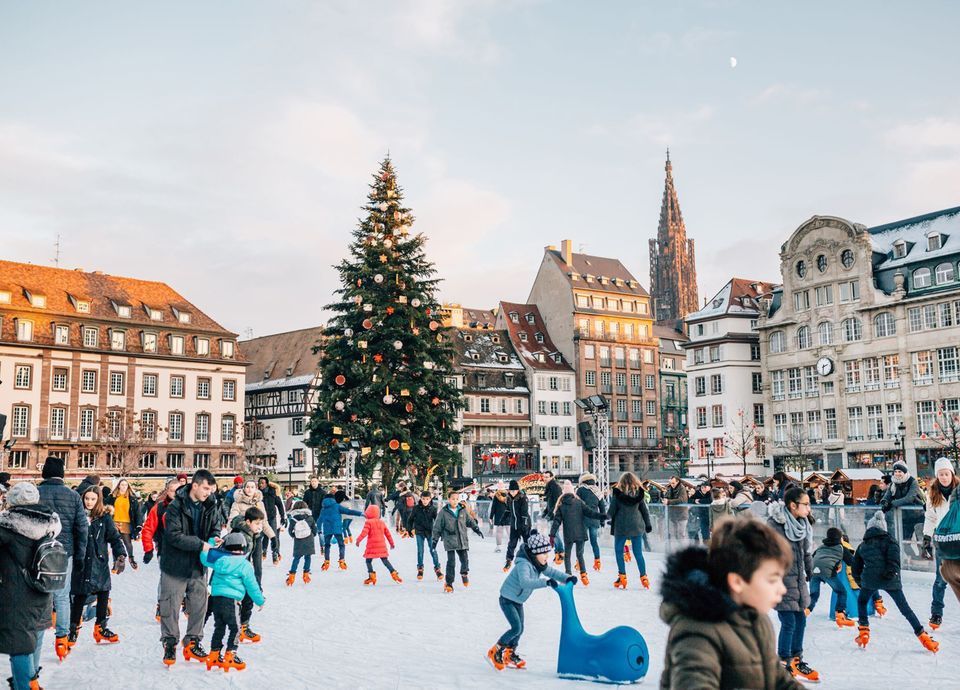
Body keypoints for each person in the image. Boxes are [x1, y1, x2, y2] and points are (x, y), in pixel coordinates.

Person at [659, 518, 804, 690]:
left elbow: (777, 679)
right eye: (772, 580)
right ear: (737, 582)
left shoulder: (757, 621)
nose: (782, 589)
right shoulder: (696, 631)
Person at [0, 482, 61, 690]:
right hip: (43, 591)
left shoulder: (6, 526)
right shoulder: (49, 524)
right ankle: (29, 682)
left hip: (15, 594)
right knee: (31, 641)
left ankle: (23, 686)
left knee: (20, 648)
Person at [158, 469, 221, 666]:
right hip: (175, 565)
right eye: (205, 488)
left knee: (199, 604)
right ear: (194, 485)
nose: (208, 493)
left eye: (210, 489)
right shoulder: (175, 506)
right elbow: (173, 536)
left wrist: (215, 537)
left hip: (197, 564)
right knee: (170, 605)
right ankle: (170, 643)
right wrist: (200, 544)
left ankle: (193, 641)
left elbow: (215, 526)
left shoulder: (211, 505)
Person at [853, 511, 939, 652]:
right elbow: (894, 561)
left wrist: (861, 582)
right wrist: (890, 573)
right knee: (905, 609)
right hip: (890, 580)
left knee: (862, 601)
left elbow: (855, 567)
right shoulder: (891, 541)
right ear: (884, 528)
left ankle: (863, 631)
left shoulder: (863, 545)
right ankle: (924, 637)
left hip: (870, 580)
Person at [488, 531, 573, 671]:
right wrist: (545, 583)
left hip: (518, 600)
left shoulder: (538, 563)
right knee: (516, 628)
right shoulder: (524, 564)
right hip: (507, 599)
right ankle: (495, 650)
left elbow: (552, 572)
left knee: (520, 629)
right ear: (535, 554)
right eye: (544, 553)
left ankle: (509, 654)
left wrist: (567, 578)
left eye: (548, 553)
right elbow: (525, 582)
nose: (547, 556)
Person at [37, 455, 88, 661]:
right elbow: (81, 528)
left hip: (39, 551)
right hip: (64, 551)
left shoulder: (37, 493)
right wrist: (80, 555)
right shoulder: (73, 495)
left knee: (40, 594)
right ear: (62, 474)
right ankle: (62, 638)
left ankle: (37, 634)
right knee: (62, 595)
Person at [767, 487, 817, 682]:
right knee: (788, 622)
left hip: (797, 581)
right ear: (793, 505)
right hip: (781, 582)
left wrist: (811, 570)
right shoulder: (775, 525)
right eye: (806, 504)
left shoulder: (802, 524)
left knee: (801, 620)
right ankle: (781, 664)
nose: (809, 508)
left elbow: (805, 552)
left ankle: (796, 660)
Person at [69, 487, 127, 647]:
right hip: (81, 560)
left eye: (93, 499)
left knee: (103, 592)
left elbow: (114, 538)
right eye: (87, 498)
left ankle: (101, 627)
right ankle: (73, 628)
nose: (89, 502)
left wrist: (120, 555)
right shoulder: (77, 516)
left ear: (98, 500)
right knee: (80, 595)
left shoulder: (104, 518)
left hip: (99, 560)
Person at [200, 532, 265, 671]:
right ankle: (230, 654)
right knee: (236, 629)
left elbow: (204, 557)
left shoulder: (219, 560)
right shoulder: (245, 565)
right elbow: (252, 586)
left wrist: (211, 541)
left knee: (219, 627)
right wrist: (260, 600)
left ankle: (214, 655)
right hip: (232, 602)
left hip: (216, 600)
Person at [923, 457, 957, 630]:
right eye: (941, 474)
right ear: (937, 476)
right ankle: (936, 613)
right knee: (941, 580)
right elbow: (930, 518)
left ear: (952, 473)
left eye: (946, 473)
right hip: (942, 542)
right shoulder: (933, 495)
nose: (944, 477)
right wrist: (927, 537)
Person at [550, 480, 604, 584]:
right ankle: (583, 575)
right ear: (573, 492)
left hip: (569, 534)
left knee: (567, 555)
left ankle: (568, 575)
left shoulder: (561, 506)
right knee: (580, 554)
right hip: (581, 532)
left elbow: (556, 522)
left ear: (563, 493)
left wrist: (552, 534)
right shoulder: (579, 503)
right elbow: (589, 512)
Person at [432, 489, 484, 592]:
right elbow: (437, 526)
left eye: (457, 499)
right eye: (453, 499)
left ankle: (464, 573)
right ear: (448, 499)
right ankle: (449, 583)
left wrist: (476, 529)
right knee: (451, 562)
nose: (455, 501)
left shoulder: (462, 510)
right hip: (449, 540)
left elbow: (469, 521)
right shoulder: (443, 512)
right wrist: (434, 540)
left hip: (461, 539)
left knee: (464, 559)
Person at [608, 472, 653, 590]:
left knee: (619, 551)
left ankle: (622, 576)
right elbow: (644, 511)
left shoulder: (617, 495)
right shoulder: (639, 494)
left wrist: (605, 518)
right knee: (638, 553)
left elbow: (611, 510)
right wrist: (648, 525)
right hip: (636, 526)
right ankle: (644, 577)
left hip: (621, 527)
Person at [229, 506, 266, 644]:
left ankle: (244, 628)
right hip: (233, 575)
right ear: (248, 522)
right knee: (230, 605)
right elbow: (232, 559)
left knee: (248, 598)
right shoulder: (240, 536)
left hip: (243, 572)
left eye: (261, 523)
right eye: (257, 523)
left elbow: (256, 562)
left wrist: (257, 583)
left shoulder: (253, 535)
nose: (260, 526)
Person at [807, 527, 856, 627]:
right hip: (827, 572)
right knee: (841, 592)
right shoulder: (841, 548)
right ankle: (840, 615)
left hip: (813, 571)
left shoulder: (821, 547)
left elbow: (812, 558)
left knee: (814, 595)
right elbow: (852, 562)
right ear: (839, 538)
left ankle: (805, 611)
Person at [228, 481, 277, 559]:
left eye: (252, 487)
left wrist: (273, 537)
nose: (249, 489)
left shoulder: (259, 504)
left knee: (258, 566)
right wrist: (232, 536)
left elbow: (264, 522)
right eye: (247, 487)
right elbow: (232, 521)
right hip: (243, 538)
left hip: (257, 537)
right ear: (243, 488)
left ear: (256, 489)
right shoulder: (237, 503)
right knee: (244, 563)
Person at [318, 492, 363, 571]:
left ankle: (326, 561)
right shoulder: (337, 506)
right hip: (337, 529)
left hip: (327, 530)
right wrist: (360, 514)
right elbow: (348, 511)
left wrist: (319, 530)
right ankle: (342, 560)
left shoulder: (323, 509)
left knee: (327, 545)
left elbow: (319, 520)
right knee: (341, 545)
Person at [356, 504, 400, 585]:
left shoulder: (368, 522)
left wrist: (358, 540)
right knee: (385, 560)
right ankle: (393, 572)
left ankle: (371, 576)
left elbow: (364, 533)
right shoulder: (381, 522)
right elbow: (388, 534)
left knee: (368, 561)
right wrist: (391, 543)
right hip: (381, 546)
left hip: (371, 547)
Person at [105, 478, 141, 571]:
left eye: (125, 485)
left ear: (128, 486)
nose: (124, 487)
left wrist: (139, 525)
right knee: (115, 542)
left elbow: (137, 512)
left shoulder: (132, 498)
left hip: (126, 522)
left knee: (127, 542)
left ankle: (131, 558)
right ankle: (115, 562)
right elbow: (104, 506)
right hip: (114, 522)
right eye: (122, 485)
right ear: (118, 486)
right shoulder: (112, 497)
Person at [881, 461, 925, 539]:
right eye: (895, 471)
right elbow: (887, 496)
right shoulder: (893, 483)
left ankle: (926, 551)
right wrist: (885, 503)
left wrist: (892, 503)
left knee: (921, 542)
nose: (897, 474)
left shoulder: (912, 482)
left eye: (900, 471)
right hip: (905, 517)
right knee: (904, 542)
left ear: (905, 472)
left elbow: (909, 498)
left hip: (918, 515)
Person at [575, 473, 605, 570]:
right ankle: (598, 562)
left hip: (583, 519)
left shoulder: (580, 490)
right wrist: (602, 521)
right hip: (595, 519)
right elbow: (602, 508)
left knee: (581, 542)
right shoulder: (597, 491)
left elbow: (576, 504)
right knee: (594, 542)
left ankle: (579, 563)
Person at [410, 491, 442, 581]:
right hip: (419, 532)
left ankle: (437, 569)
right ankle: (420, 569)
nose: (425, 501)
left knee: (433, 550)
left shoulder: (433, 509)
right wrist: (410, 529)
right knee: (420, 551)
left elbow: (437, 521)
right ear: (421, 498)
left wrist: (439, 531)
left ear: (430, 499)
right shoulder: (416, 508)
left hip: (430, 532)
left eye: (427, 499)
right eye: (423, 499)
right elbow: (411, 519)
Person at [285, 500, 317, 585]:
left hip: (298, 540)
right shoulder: (310, 517)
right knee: (308, 557)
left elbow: (289, 530)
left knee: (297, 558)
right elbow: (315, 530)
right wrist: (312, 535)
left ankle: (292, 575)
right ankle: (306, 574)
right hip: (309, 539)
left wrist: (294, 535)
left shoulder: (293, 519)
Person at [503, 480, 531, 572]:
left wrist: (525, 525)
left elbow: (524, 513)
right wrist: (503, 518)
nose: (513, 492)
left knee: (527, 543)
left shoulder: (523, 498)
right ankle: (508, 560)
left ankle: (531, 558)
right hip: (514, 525)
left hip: (524, 524)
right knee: (512, 543)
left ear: (517, 490)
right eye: (511, 491)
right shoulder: (509, 499)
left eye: (514, 491)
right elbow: (507, 510)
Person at [257, 478, 285, 565]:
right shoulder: (257, 494)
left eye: (262, 483)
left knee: (274, 536)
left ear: (266, 484)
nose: (261, 485)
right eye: (259, 483)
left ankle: (275, 554)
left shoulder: (272, 493)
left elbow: (280, 505)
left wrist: (283, 516)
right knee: (261, 536)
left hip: (272, 517)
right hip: (261, 518)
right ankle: (263, 551)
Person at [541, 471, 564, 564]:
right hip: (552, 514)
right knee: (554, 534)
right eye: (544, 477)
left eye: (547, 477)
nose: (545, 478)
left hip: (556, 514)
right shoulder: (549, 487)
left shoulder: (555, 487)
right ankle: (558, 553)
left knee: (554, 534)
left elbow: (557, 503)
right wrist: (545, 512)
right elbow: (550, 503)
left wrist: (550, 513)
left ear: (551, 477)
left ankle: (561, 552)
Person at [662, 476, 688, 542]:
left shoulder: (682, 488)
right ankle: (678, 548)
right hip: (672, 515)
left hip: (682, 515)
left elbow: (682, 500)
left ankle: (683, 549)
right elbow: (666, 497)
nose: (672, 485)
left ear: (677, 482)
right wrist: (664, 499)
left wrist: (669, 501)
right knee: (674, 534)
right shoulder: (670, 488)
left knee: (681, 534)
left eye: (673, 483)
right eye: (670, 483)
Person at [302, 476, 327, 547]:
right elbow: (304, 503)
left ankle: (322, 546)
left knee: (320, 531)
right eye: (312, 481)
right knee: (308, 531)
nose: (313, 483)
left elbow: (324, 504)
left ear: (318, 482)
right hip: (309, 515)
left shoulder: (323, 492)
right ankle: (309, 547)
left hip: (320, 515)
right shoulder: (307, 492)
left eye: (315, 481)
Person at [490, 485, 511, 553]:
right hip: (507, 515)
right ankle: (512, 545)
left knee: (499, 532)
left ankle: (498, 546)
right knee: (509, 531)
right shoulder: (508, 495)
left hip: (499, 515)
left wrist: (491, 517)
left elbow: (493, 507)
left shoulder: (496, 496)